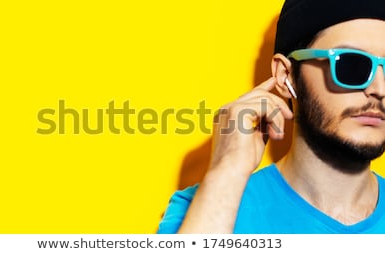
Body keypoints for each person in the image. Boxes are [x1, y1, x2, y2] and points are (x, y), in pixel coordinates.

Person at [157, 0, 385, 233]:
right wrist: (228, 169)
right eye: (351, 65)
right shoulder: (201, 208)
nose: (380, 89)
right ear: (286, 75)